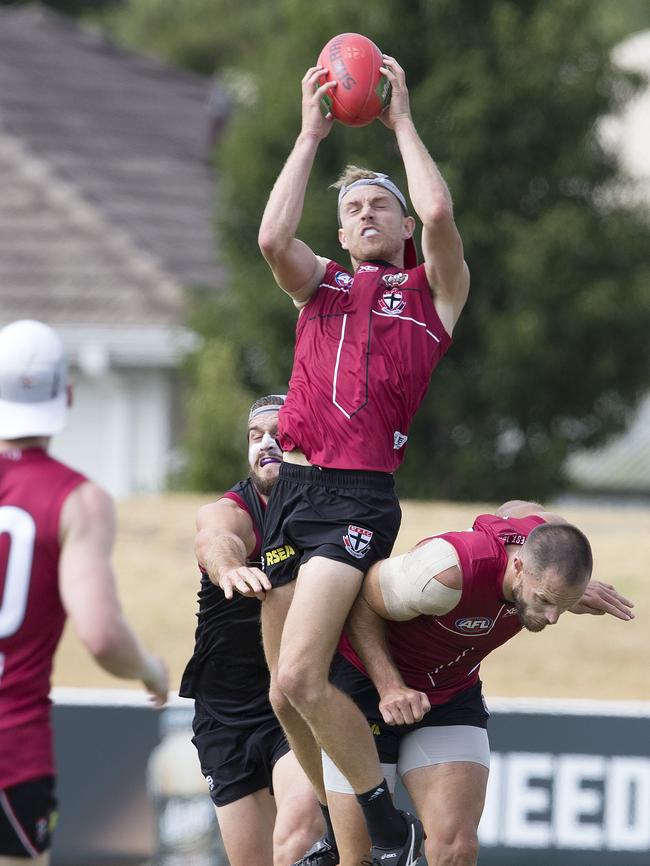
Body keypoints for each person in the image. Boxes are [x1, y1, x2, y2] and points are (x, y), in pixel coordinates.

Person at [257, 51, 470, 866]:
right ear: (341, 232)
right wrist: (310, 135)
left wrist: (402, 122)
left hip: (356, 498)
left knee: (306, 677)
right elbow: (275, 235)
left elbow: (444, 215)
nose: (368, 214)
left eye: (383, 205)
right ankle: (344, 821)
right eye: (355, 209)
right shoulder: (323, 287)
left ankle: (382, 822)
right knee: (284, 693)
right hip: (295, 489)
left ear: (403, 225)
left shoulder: (428, 297)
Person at [321, 500, 635, 866]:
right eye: (546, 601)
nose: (552, 618)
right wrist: (389, 685)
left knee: (457, 848)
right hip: (366, 690)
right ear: (519, 566)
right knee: (360, 858)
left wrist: (563, 592)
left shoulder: (545, 542)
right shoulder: (444, 574)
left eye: (561, 605)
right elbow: (362, 601)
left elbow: (519, 510)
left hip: (451, 694)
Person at [0, 319, 169, 866]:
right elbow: (100, 635)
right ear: (65, 396)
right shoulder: (77, 500)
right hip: (11, 748)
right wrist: (148, 669)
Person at [179, 395, 324, 866]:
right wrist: (227, 568)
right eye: (256, 436)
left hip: (294, 704)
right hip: (224, 712)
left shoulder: (328, 511)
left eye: (279, 434)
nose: (267, 444)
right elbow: (213, 537)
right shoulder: (235, 509)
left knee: (300, 832)